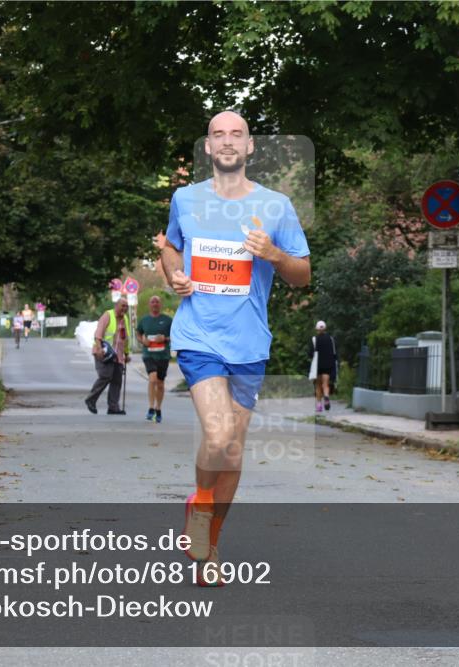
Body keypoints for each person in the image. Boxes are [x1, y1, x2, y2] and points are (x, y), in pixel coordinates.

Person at [161, 110, 310, 585]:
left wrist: (274, 255)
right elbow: (169, 247)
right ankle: (200, 511)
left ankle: (209, 546)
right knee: (221, 435)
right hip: (197, 335)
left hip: (249, 343)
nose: (227, 142)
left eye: (237, 135)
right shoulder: (185, 199)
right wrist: (175, 277)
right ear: (207, 147)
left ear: (250, 148)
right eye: (218, 134)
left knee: (234, 454)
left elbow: (302, 275)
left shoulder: (276, 206)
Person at [85, 297, 132, 415]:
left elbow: (125, 338)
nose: (125, 308)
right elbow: (98, 334)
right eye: (123, 306)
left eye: (126, 306)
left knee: (117, 380)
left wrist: (126, 353)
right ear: (116, 306)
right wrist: (99, 349)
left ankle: (113, 407)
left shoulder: (125, 319)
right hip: (104, 353)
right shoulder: (108, 315)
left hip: (118, 355)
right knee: (105, 376)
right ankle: (91, 399)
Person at [136, 295, 172, 423]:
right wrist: (142, 341)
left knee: (160, 384)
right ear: (149, 305)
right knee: (152, 378)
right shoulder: (144, 320)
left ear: (160, 304)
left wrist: (165, 339)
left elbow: (176, 335)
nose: (155, 304)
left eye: (157, 301)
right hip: (149, 355)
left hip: (163, 356)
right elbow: (138, 333)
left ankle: (158, 408)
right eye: (152, 302)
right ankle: (151, 408)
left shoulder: (168, 320)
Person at [308, 320, 337, 413]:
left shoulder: (314, 339)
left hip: (318, 366)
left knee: (318, 385)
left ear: (316, 329)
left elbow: (310, 353)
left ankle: (319, 405)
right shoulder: (331, 339)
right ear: (325, 328)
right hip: (328, 364)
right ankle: (327, 396)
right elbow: (334, 353)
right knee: (325, 384)